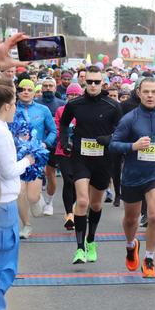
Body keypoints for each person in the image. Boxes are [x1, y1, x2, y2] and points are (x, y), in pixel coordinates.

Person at [110, 78, 155, 278]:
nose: (150, 95)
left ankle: (149, 258)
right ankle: (131, 246)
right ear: (139, 93)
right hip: (132, 175)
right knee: (131, 220)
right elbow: (114, 145)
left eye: (153, 92)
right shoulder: (129, 119)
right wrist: (133, 146)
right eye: (146, 92)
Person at [59, 65, 122, 264]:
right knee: (83, 201)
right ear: (84, 82)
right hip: (81, 158)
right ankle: (79, 249)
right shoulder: (75, 104)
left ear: (103, 82)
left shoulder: (112, 105)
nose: (93, 85)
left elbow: (122, 131)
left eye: (97, 82)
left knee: (95, 204)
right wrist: (64, 141)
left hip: (102, 161)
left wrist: (110, 138)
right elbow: (63, 123)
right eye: (90, 82)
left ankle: (91, 240)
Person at [0, 78, 35, 310]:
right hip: (3, 202)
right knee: (5, 260)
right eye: (13, 103)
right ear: (7, 106)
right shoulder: (1, 131)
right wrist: (29, 160)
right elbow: (10, 171)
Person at [14, 78, 57, 237]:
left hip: (36, 156)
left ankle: (37, 200)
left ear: (34, 92)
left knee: (32, 196)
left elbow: (53, 131)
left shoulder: (43, 109)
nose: (25, 92)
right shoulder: (10, 108)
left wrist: (46, 144)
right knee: (19, 192)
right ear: (18, 92)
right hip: (17, 156)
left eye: (29, 89)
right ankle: (26, 225)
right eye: (22, 89)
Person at [53, 83, 84, 230]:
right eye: (70, 94)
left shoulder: (84, 110)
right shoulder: (61, 110)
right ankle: (69, 214)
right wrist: (65, 140)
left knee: (78, 182)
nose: (73, 97)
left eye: (76, 95)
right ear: (66, 95)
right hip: (63, 150)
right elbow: (57, 128)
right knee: (68, 180)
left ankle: (76, 208)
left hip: (80, 151)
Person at [36, 77, 65, 216]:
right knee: (36, 173)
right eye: (45, 86)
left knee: (50, 173)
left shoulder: (61, 105)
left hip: (54, 144)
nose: (47, 88)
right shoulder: (35, 103)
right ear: (41, 88)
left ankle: (50, 202)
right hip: (37, 145)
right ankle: (37, 197)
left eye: (50, 86)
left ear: (55, 88)